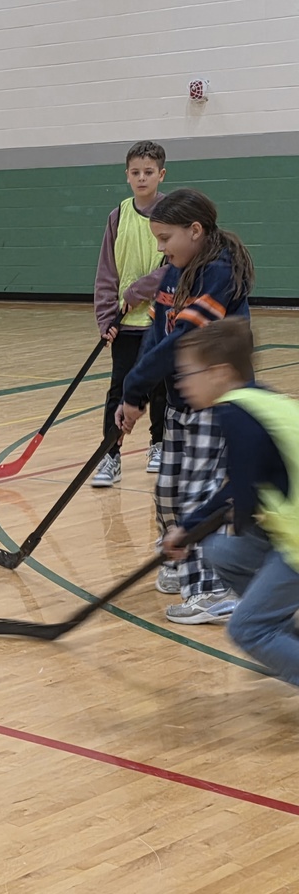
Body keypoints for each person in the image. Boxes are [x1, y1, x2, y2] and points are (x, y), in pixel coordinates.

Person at [117, 187, 255, 624]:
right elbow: (158, 334)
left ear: (195, 231)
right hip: (181, 401)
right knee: (169, 491)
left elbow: (184, 341)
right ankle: (182, 566)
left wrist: (137, 383)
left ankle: (211, 590)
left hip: (216, 404)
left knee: (200, 494)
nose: (160, 248)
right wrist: (135, 394)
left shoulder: (221, 272)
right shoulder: (176, 270)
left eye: (165, 238)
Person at [163, 318, 299, 681]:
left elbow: (240, 498)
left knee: (245, 630)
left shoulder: (236, 414)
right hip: (288, 529)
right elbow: (240, 492)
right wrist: (190, 530)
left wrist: (185, 533)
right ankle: (283, 639)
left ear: (220, 373)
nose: (182, 384)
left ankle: (268, 633)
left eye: (188, 374)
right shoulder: (259, 399)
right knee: (221, 551)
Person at [91, 140, 169, 488]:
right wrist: (106, 316)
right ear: (126, 176)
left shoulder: (173, 214)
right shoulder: (118, 215)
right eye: (135, 172)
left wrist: (138, 291)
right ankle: (111, 455)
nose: (141, 178)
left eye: (148, 172)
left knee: (160, 387)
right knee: (119, 390)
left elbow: (172, 267)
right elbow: (106, 270)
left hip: (161, 319)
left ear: (160, 175)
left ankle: (158, 445)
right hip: (125, 324)